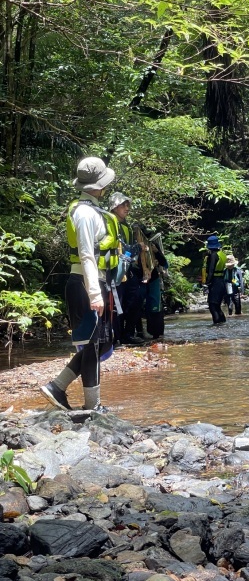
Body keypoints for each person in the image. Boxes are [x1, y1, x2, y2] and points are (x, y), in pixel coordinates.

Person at [40, 157, 119, 411]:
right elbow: (86, 254)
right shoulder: (85, 213)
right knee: (92, 345)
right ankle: (92, 405)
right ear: (99, 186)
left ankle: (58, 387)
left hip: (93, 283)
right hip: (86, 284)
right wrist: (95, 293)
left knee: (100, 342)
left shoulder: (91, 209)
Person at [108, 192, 144, 346]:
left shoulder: (126, 225)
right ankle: (117, 337)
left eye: (127, 204)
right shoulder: (111, 223)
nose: (126, 208)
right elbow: (123, 248)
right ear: (115, 207)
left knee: (135, 300)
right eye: (123, 205)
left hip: (127, 269)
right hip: (115, 270)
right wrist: (138, 248)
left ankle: (127, 334)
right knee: (118, 304)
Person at [202, 235, 227, 324]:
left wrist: (206, 283)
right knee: (217, 306)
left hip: (215, 282)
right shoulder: (222, 254)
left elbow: (211, 270)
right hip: (221, 281)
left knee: (212, 305)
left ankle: (216, 326)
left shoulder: (213, 255)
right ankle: (223, 324)